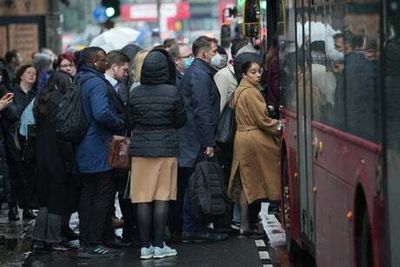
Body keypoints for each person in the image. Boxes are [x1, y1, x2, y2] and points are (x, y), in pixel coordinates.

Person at [128, 47, 186, 259]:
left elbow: (129, 121)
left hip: (141, 150)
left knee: (142, 198)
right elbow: (181, 120)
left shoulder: (135, 93)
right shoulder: (172, 92)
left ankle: (145, 247)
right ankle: (159, 244)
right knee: (162, 196)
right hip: (166, 149)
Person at [75, 47, 124, 258]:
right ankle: (93, 243)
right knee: (102, 194)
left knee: (88, 194)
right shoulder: (96, 82)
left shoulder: (80, 79)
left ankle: (90, 241)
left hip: (84, 146)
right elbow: (102, 113)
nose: (107, 63)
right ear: (95, 62)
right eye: (104, 60)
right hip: (97, 146)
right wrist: (119, 124)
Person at [178, 36, 228, 243]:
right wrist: (208, 142)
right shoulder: (199, 75)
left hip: (194, 137)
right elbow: (202, 110)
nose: (217, 56)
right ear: (205, 53)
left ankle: (195, 226)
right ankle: (192, 228)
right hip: (196, 139)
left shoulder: (200, 72)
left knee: (197, 182)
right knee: (197, 184)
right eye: (215, 51)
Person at [228, 60, 281, 236]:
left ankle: (244, 224)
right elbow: (262, 120)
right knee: (258, 181)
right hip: (253, 140)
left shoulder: (241, 90)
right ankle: (247, 223)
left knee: (246, 183)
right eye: (253, 72)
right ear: (244, 74)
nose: (258, 75)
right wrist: (279, 125)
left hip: (242, 139)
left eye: (259, 71)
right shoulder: (251, 92)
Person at [31, 71, 78, 252]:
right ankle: (53, 240)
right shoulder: (62, 103)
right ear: (62, 84)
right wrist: (69, 161)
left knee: (45, 200)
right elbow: (64, 135)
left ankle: (38, 239)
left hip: (42, 157)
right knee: (57, 200)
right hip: (58, 158)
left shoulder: (40, 101)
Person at [103, 50, 135, 247]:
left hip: (118, 146)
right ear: (114, 67)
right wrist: (121, 123)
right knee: (108, 191)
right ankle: (106, 234)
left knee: (119, 188)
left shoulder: (119, 85)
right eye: (124, 69)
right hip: (111, 145)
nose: (126, 73)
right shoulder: (105, 86)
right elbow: (103, 115)